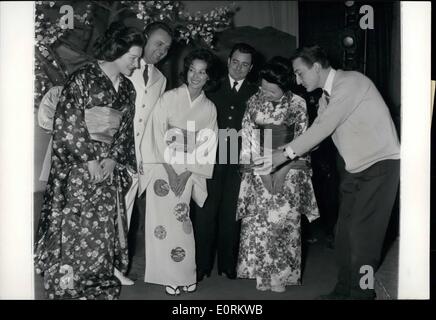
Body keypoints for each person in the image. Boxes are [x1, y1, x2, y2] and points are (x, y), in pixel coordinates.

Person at [261, 45, 400, 299]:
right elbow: (316, 134)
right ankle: (343, 291)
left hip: (380, 167)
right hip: (356, 169)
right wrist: (285, 151)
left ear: (316, 66)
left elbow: (324, 126)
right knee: (344, 235)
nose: (298, 80)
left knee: (364, 239)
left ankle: (362, 295)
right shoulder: (328, 96)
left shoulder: (351, 82)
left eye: (300, 73)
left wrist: (285, 154)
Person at [34, 22, 144, 300]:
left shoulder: (128, 89)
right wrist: (90, 160)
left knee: (101, 231)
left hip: (107, 166)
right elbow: (68, 121)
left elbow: (124, 130)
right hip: (79, 167)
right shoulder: (82, 78)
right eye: (133, 57)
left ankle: (97, 284)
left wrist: (113, 160)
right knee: (74, 228)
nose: (138, 63)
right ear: (116, 52)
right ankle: (69, 287)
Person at [236, 57, 319, 292]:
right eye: (263, 87)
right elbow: (248, 139)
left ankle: (281, 276)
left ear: (285, 87)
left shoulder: (298, 103)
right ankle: (261, 275)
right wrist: (261, 173)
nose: (265, 93)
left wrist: (282, 171)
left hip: (290, 168)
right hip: (259, 167)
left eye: (271, 90)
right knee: (259, 223)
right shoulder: (253, 101)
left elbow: (303, 140)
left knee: (284, 222)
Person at [140, 48, 219, 295]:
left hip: (187, 170)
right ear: (187, 71)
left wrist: (185, 173)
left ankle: (184, 274)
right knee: (159, 225)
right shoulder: (169, 97)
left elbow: (208, 144)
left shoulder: (209, 108)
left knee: (182, 222)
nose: (196, 76)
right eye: (192, 70)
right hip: (163, 169)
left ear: (209, 76)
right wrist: (171, 171)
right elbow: (155, 134)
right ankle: (166, 276)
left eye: (202, 72)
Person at [190, 43, 258, 282]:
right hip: (211, 157)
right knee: (205, 213)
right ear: (228, 61)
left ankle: (229, 265)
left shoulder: (256, 92)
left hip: (239, 161)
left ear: (251, 68)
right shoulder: (212, 86)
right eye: (236, 62)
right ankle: (201, 265)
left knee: (232, 214)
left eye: (245, 64)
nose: (239, 68)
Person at [124, 21, 173, 282]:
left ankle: (117, 267)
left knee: (127, 213)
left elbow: (153, 122)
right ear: (144, 39)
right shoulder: (123, 66)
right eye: (158, 43)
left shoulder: (161, 79)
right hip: (113, 152)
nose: (162, 50)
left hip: (138, 159)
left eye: (167, 47)